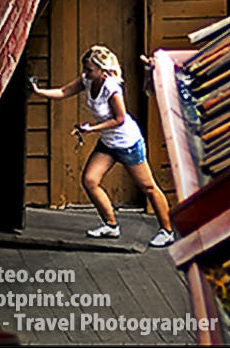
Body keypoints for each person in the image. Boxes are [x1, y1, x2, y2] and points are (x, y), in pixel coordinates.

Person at [30, 44, 175, 246]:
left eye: (89, 69)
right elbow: (63, 92)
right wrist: (38, 91)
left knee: (148, 187)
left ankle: (167, 231)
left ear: (102, 70)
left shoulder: (112, 88)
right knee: (90, 180)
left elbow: (120, 119)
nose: (85, 73)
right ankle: (111, 225)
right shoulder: (87, 81)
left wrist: (92, 129)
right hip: (108, 143)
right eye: (85, 68)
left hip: (127, 143)